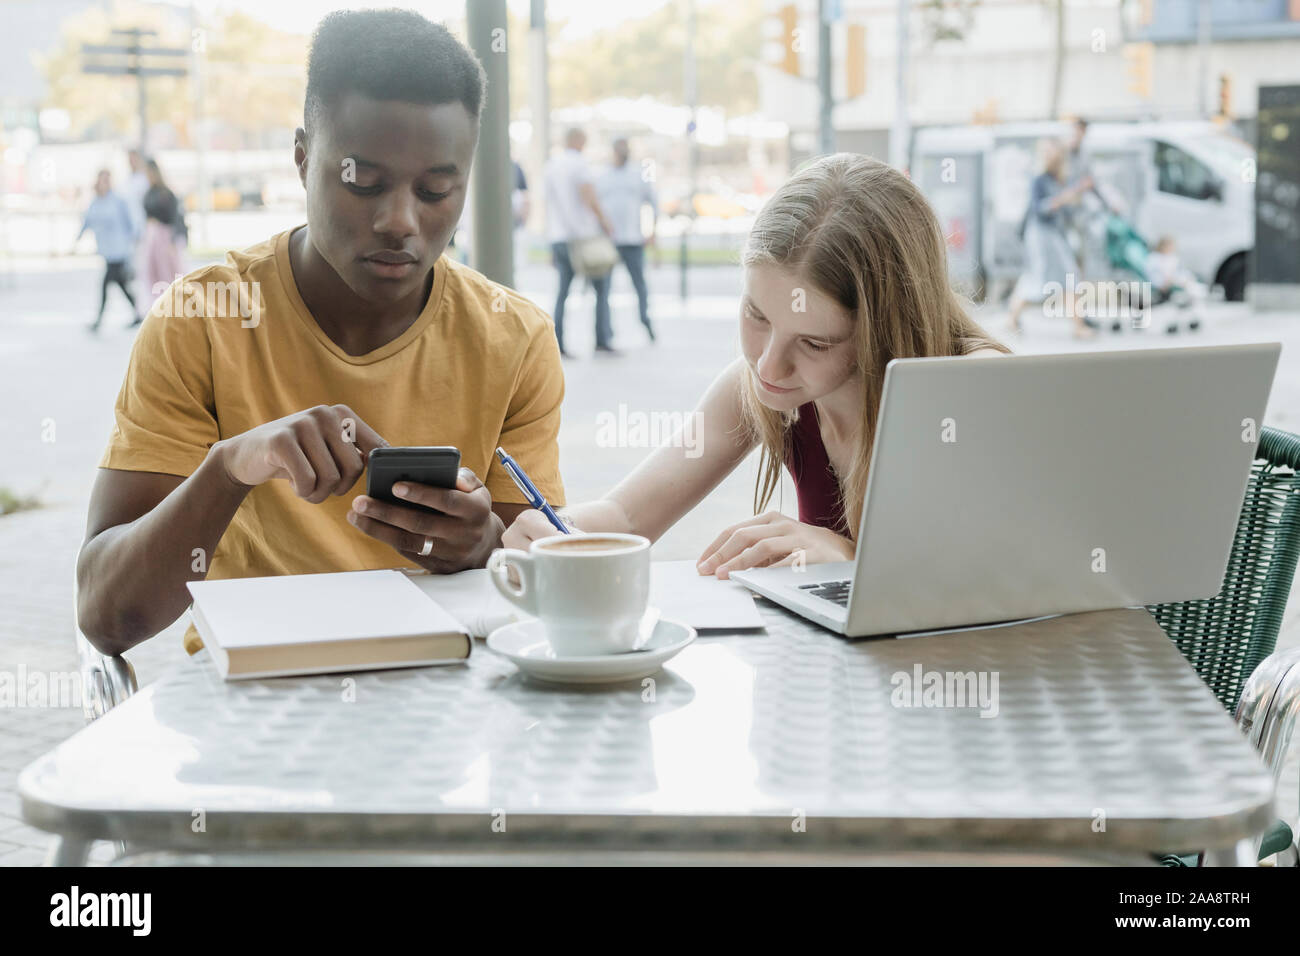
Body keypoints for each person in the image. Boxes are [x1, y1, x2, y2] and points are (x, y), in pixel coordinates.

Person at [76, 9, 565, 656]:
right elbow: (110, 617)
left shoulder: (516, 338)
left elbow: (541, 603)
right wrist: (229, 469)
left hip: (444, 703)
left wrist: (483, 548)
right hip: (250, 713)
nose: (400, 220)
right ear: (304, 159)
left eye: (437, 189)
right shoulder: (204, 320)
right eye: (364, 180)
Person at [504, 153, 1009, 576]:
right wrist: (557, 535)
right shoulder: (758, 387)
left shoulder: (973, 385)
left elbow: (1008, 572)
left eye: (814, 343)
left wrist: (855, 559)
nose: (769, 364)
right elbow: (626, 515)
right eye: (756, 314)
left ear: (886, 331)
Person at [1006, 138, 1095, 340]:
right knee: (1045, 278)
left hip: (1055, 236)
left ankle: (1013, 318)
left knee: (1057, 278)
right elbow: (1040, 209)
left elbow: (1069, 213)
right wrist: (1066, 196)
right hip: (1041, 236)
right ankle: (1077, 326)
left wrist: (1075, 197)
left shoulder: (1060, 180)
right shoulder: (1039, 180)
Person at [544, 127, 616, 357]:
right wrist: (605, 222)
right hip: (584, 238)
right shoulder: (580, 165)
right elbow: (589, 197)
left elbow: (548, 203)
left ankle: (558, 343)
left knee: (562, 292)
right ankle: (602, 339)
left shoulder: (551, 165)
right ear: (578, 140)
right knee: (602, 288)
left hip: (560, 237)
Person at [598, 138, 657, 342]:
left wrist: (652, 231)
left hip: (633, 240)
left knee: (640, 285)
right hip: (609, 241)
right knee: (604, 289)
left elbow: (653, 202)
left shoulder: (638, 175)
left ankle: (645, 320)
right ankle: (605, 333)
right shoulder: (603, 176)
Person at [74, 169, 143, 332]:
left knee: (105, 284)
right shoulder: (95, 202)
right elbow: (87, 221)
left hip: (119, 250)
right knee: (121, 285)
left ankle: (99, 320)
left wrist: (134, 243)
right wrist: (77, 240)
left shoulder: (118, 201)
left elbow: (131, 224)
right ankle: (140, 313)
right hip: (106, 250)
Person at [141, 158, 185, 305]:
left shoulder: (166, 194)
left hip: (164, 236)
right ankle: (158, 302)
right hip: (151, 236)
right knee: (152, 270)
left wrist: (174, 240)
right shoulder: (148, 193)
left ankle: (172, 302)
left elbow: (174, 217)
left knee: (167, 271)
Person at [1146, 236, 1205, 334]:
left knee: (1190, 284)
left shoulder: (1172, 258)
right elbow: (1154, 276)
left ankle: (1196, 302)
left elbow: (1177, 272)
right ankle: (1195, 300)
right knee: (1189, 289)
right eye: (1169, 246)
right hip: (1163, 286)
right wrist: (1166, 282)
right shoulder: (1153, 259)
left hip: (1175, 282)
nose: (1171, 248)